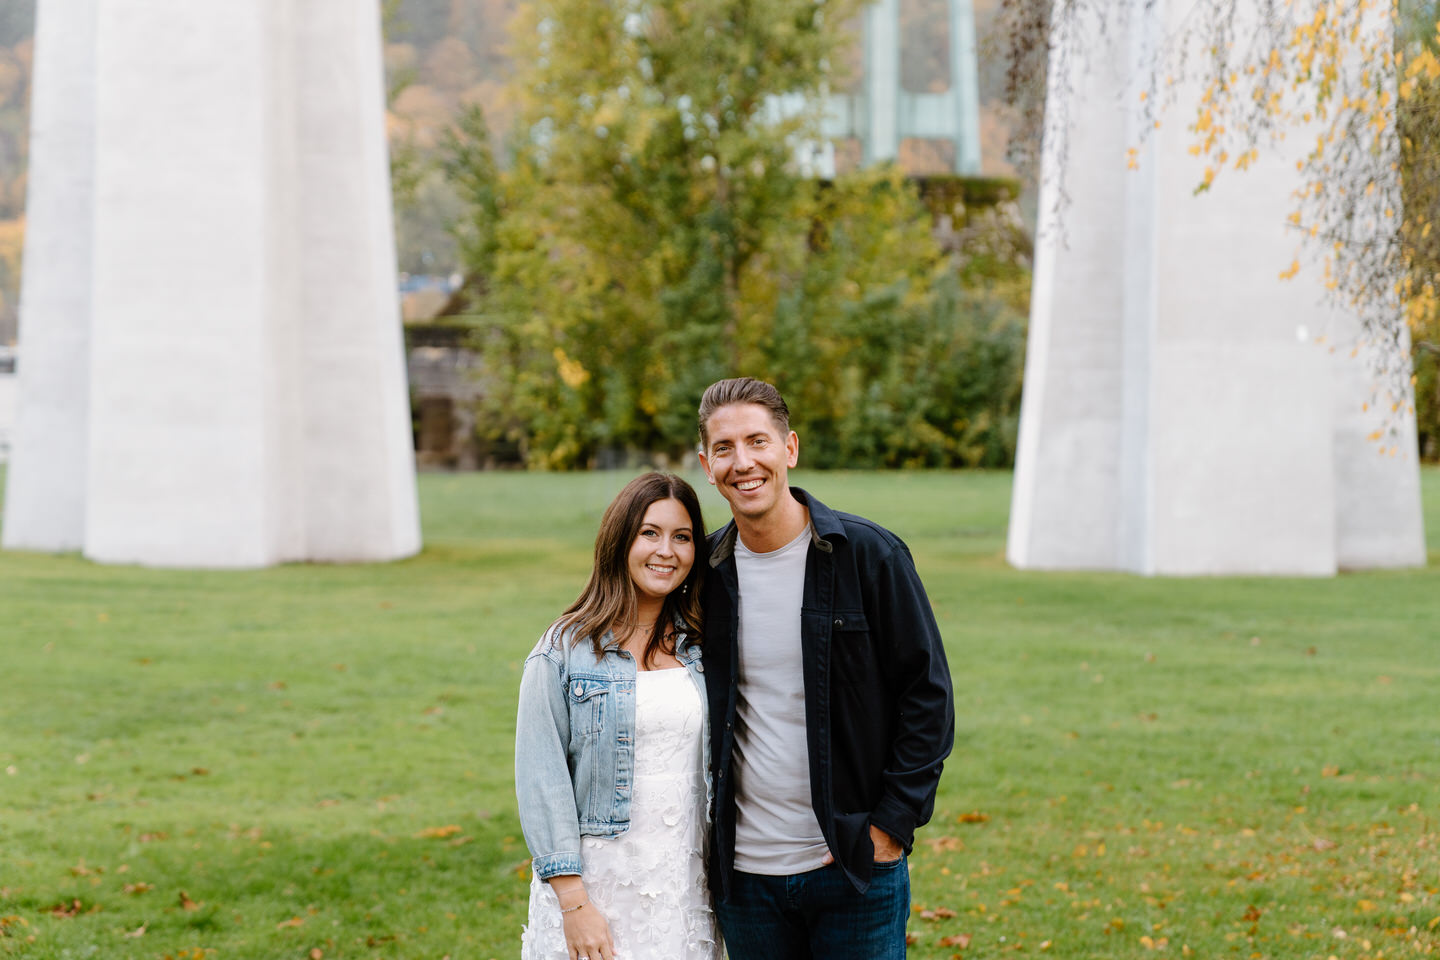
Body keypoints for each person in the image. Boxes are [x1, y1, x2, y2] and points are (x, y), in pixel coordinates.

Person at [695, 377, 955, 959]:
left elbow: (928, 696)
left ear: (789, 448)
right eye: (725, 448)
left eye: (758, 442)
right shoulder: (705, 575)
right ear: (706, 466)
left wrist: (890, 824)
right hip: (745, 879)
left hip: (852, 868)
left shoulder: (869, 555)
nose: (744, 462)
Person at [515, 472, 724, 960]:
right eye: (649, 533)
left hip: (684, 886)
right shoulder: (562, 652)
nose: (665, 551)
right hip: (596, 889)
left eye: (682, 537)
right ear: (619, 540)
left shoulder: (702, 647)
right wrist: (573, 904)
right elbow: (541, 780)